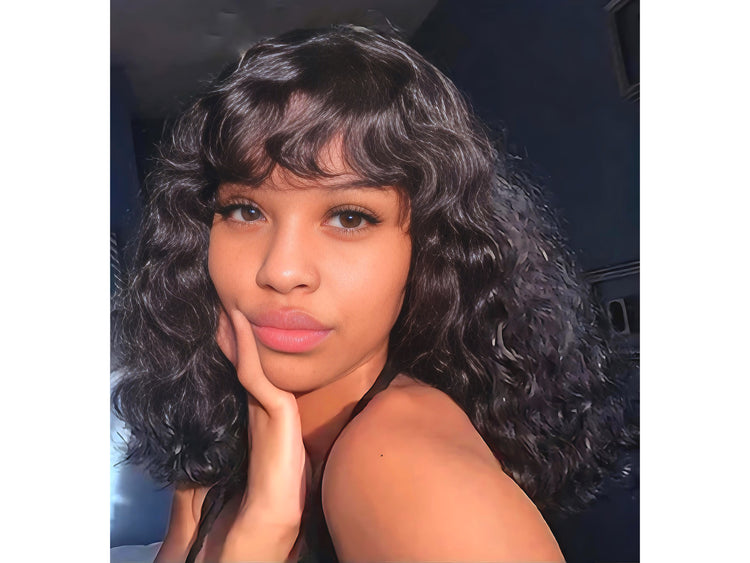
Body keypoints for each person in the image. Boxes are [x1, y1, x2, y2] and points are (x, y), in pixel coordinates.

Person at [111, 24, 636, 563]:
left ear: (426, 250)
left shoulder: (401, 466)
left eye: (349, 217)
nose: (282, 271)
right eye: (246, 210)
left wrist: (259, 539)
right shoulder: (217, 439)